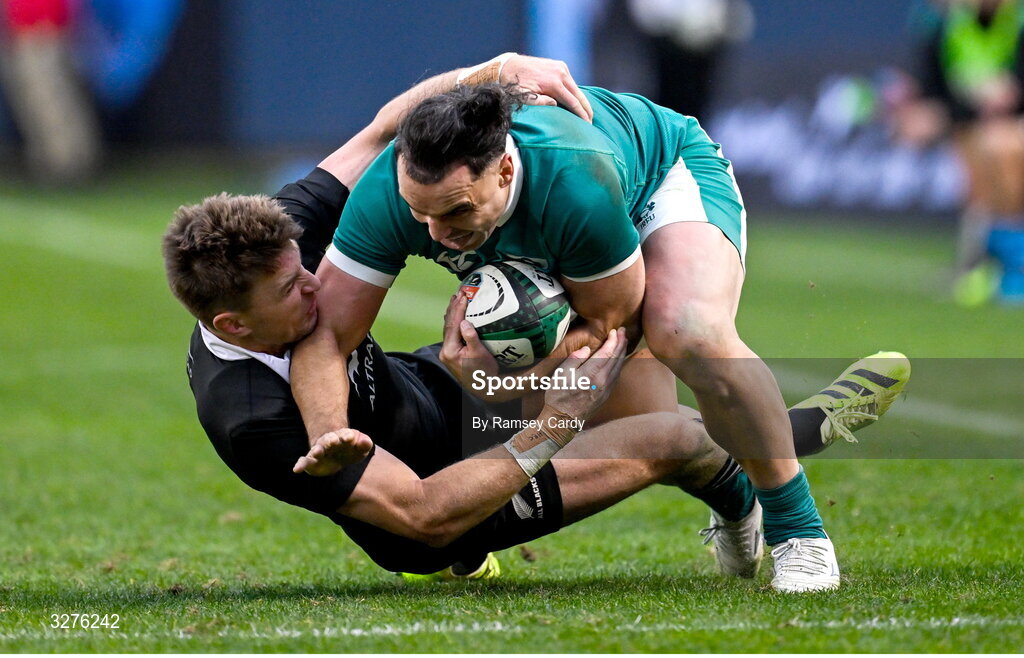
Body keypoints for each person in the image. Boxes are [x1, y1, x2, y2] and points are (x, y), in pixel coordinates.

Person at [163, 56, 909, 582]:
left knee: (682, 331)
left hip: (632, 200)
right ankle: (792, 437)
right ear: (233, 326)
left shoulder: (277, 241)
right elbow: (421, 514)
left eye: (306, 267)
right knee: (666, 432)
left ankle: (794, 519)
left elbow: (379, 132)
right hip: (439, 510)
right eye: (292, 290)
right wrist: (548, 420)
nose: (314, 286)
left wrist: (488, 67)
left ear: (506, 170)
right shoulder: (251, 419)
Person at [894, 0, 1024, 304]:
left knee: (1002, 146)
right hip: (975, 118)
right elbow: (935, 88)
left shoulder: (1016, 20)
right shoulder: (948, 24)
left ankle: (1007, 263)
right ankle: (990, 263)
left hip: (1009, 120)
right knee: (983, 155)